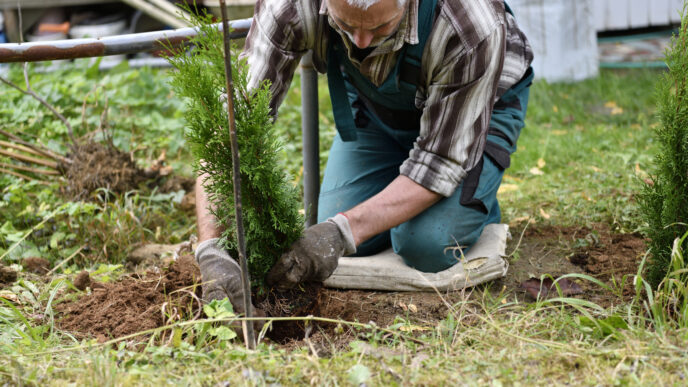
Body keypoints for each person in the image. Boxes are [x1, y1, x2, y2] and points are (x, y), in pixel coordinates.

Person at [195, 0, 533, 311]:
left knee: (424, 244)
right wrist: (211, 251)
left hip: (476, 110)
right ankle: (413, 187)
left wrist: (342, 232)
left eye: (380, 28)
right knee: (336, 221)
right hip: (381, 110)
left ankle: (472, 202)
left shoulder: (469, 24)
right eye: (345, 25)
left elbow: (440, 162)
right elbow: (233, 128)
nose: (359, 42)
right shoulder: (293, 4)